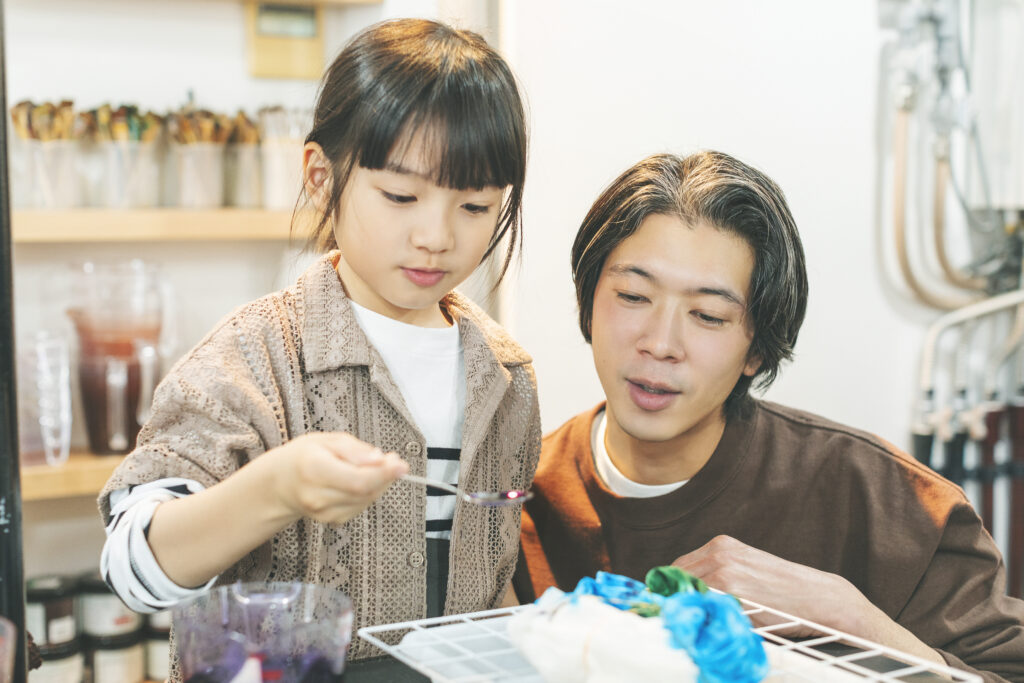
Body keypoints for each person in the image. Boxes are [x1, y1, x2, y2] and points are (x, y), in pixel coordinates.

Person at [97, 17, 540, 672]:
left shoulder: (506, 375)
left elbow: (492, 582)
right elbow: (132, 569)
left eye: (474, 207)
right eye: (401, 195)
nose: (436, 236)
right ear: (321, 177)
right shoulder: (253, 357)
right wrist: (274, 490)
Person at [513, 150, 1024, 682]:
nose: (660, 343)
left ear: (757, 349)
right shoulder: (516, 495)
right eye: (634, 295)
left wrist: (850, 618)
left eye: (708, 315)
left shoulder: (887, 504)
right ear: (588, 302)